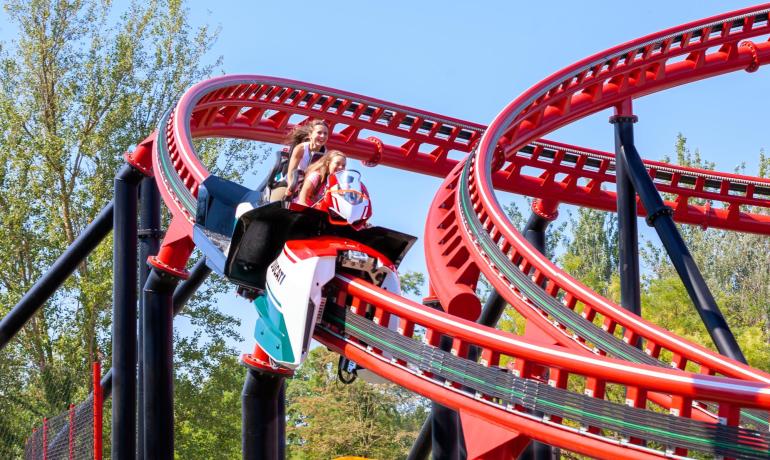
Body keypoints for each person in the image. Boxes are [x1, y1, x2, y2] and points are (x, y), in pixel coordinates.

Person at [268, 119, 329, 202]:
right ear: (310, 135)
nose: (322, 136)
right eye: (319, 133)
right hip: (289, 180)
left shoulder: (326, 155)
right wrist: (291, 186)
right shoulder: (301, 148)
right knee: (276, 201)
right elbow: (291, 171)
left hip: (307, 187)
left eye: (325, 134)